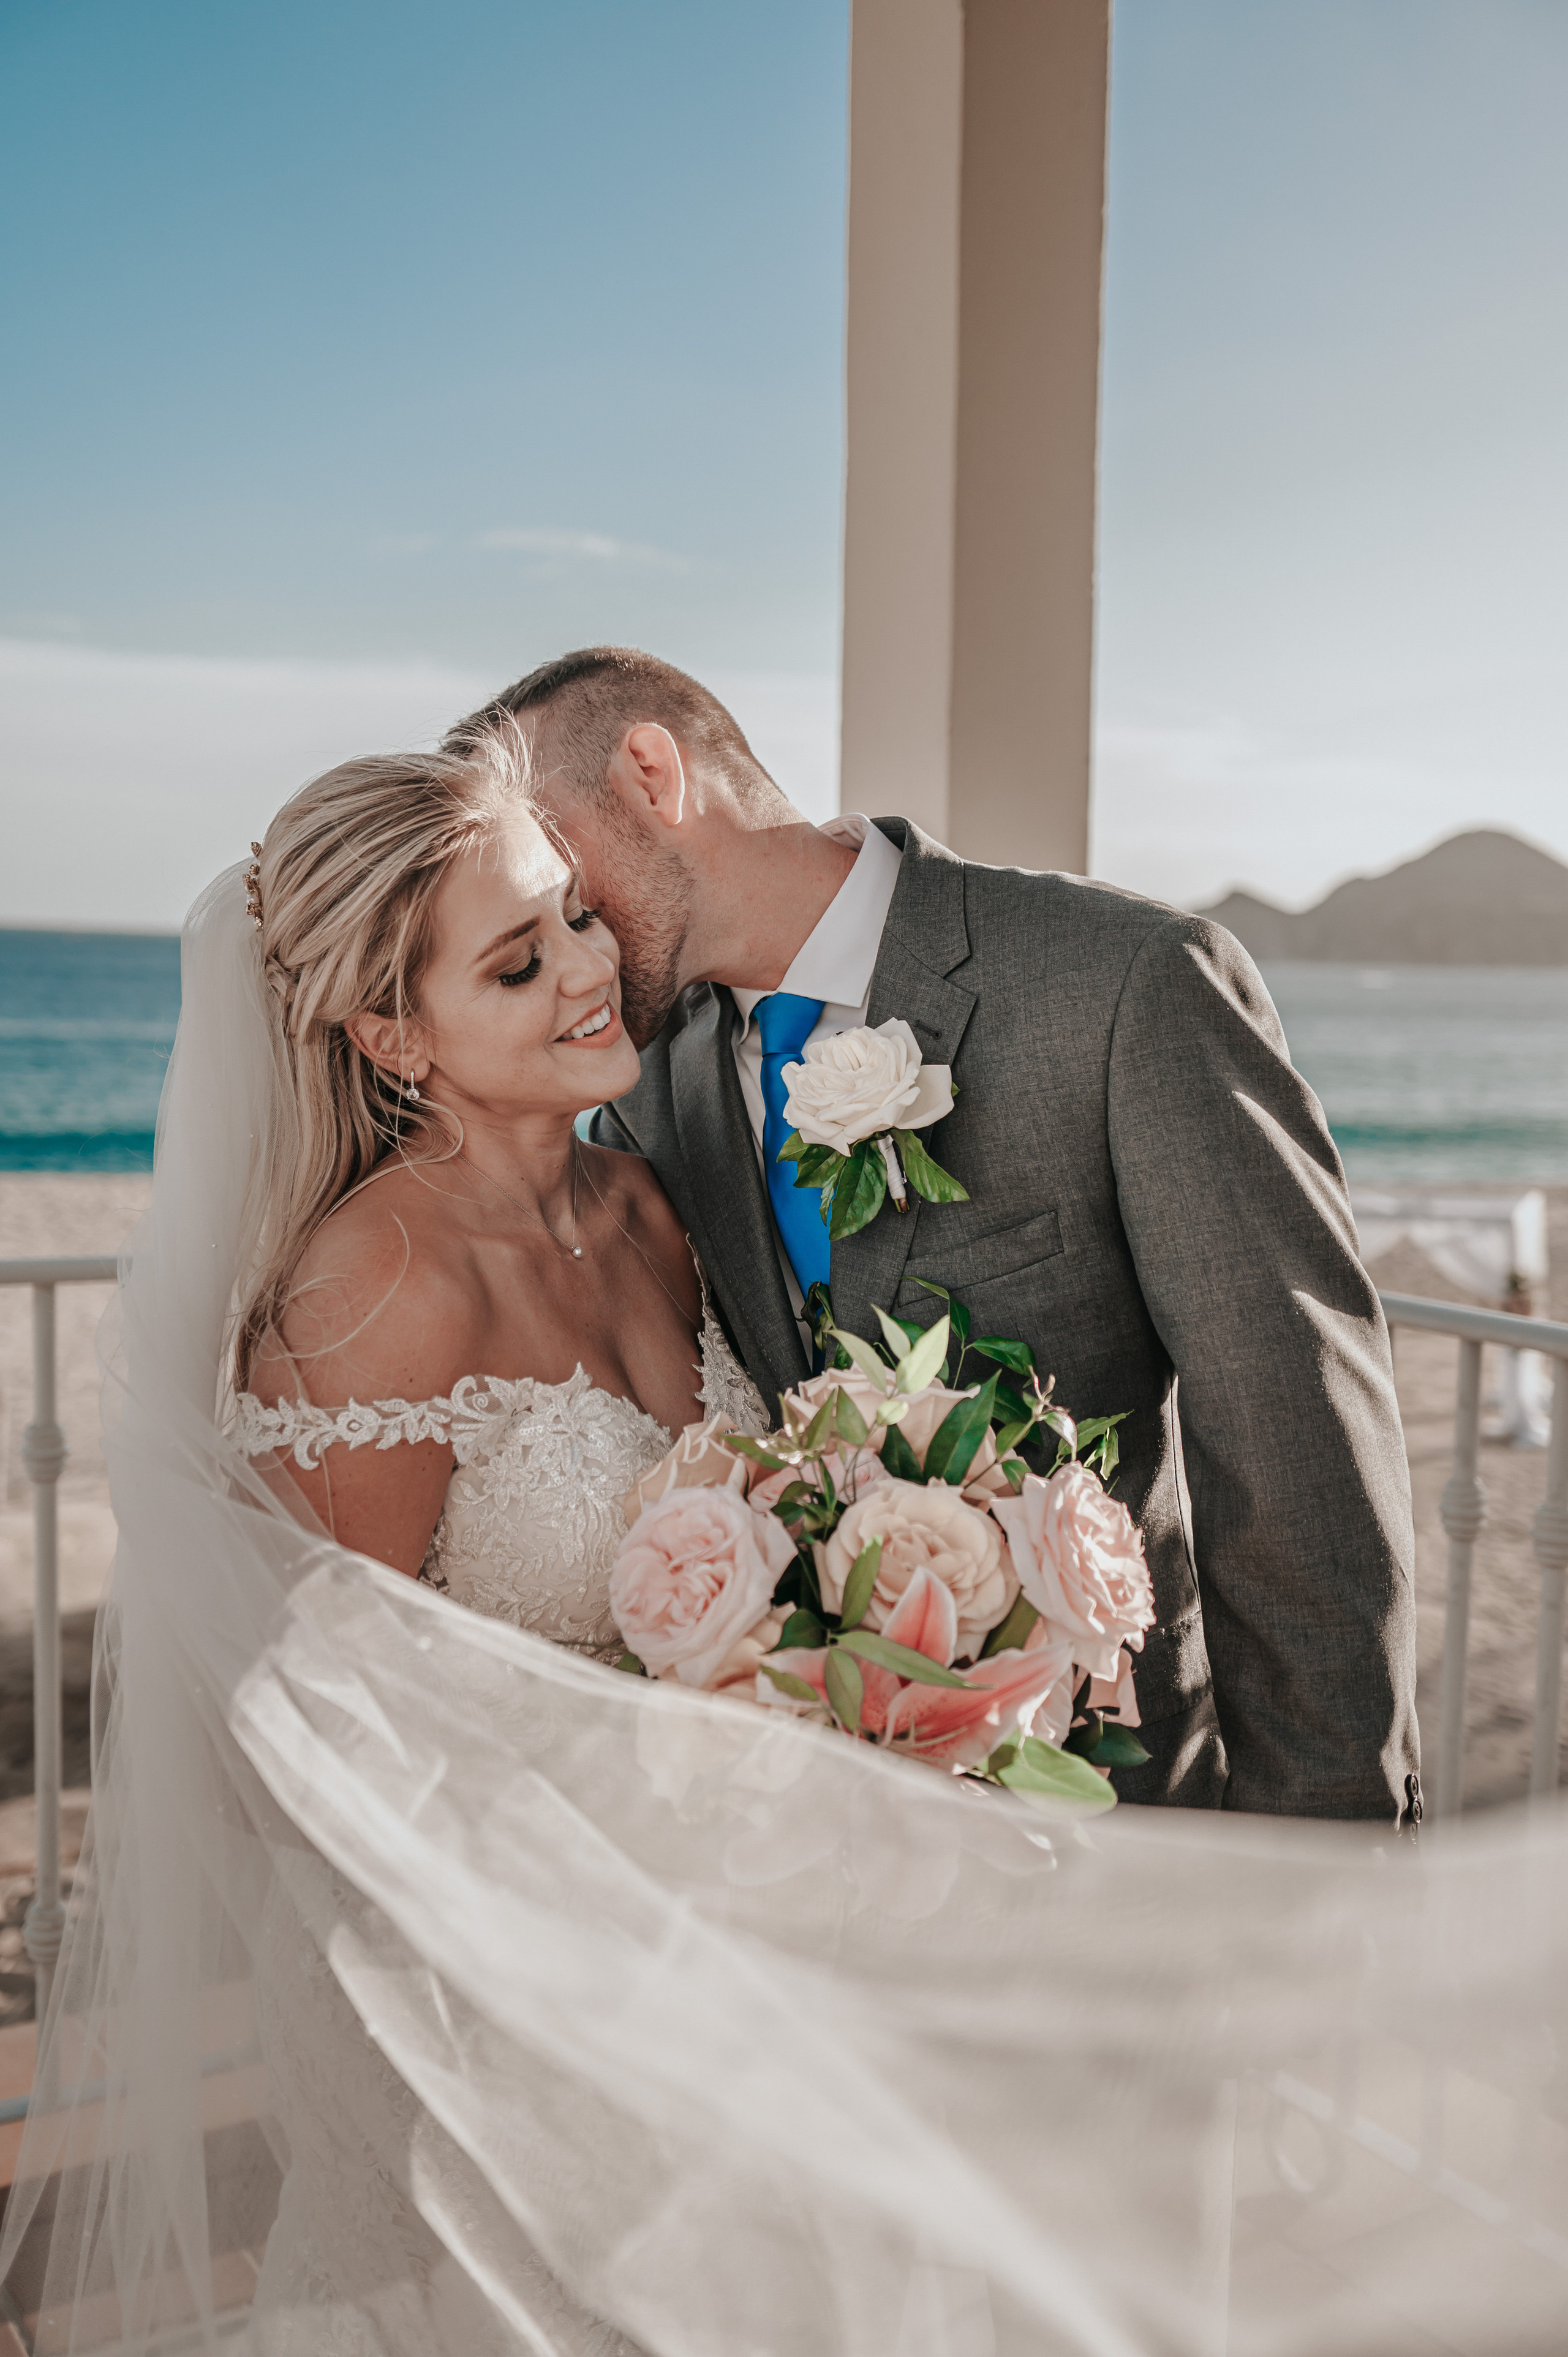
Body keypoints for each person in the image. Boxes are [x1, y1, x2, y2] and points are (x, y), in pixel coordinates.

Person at [3, 720, 1564, 2357]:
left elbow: (1270, 1447)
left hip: (836, 1946)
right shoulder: (363, 1297)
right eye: (519, 962)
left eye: (579, 920)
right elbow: (321, 1734)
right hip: (561, 1992)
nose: (592, 977)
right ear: (394, 1040)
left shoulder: (651, 1198)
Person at [443, 646, 1422, 1826]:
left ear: (655, 774)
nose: (561, 925)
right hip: (807, 1845)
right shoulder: (641, 1090)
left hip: (1119, 1816)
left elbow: (1298, 1450)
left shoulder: (1125, 985)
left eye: (564, 871)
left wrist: (1325, 1861)